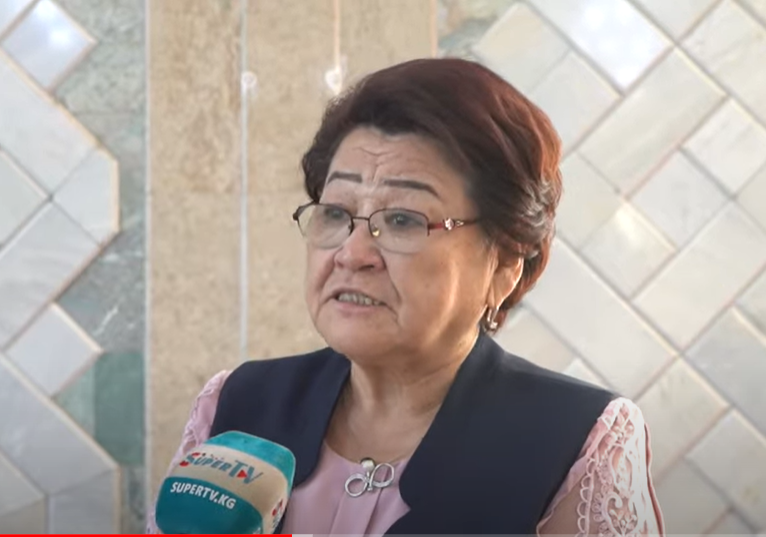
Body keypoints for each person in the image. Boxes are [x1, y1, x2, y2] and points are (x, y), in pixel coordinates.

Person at [147, 57, 664, 536]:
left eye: (402, 220)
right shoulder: (234, 404)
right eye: (336, 213)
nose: (352, 254)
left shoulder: (577, 441)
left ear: (505, 263)